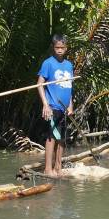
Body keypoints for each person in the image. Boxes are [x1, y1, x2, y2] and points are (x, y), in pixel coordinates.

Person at [37, 34, 74, 177]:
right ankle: (48, 169)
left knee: (62, 138)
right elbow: (40, 84)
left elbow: (69, 86)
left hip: (64, 108)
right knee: (52, 137)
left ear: (66, 48)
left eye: (62, 47)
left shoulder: (69, 65)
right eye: (57, 47)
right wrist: (45, 105)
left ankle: (58, 167)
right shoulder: (48, 63)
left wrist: (70, 105)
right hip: (53, 106)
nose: (59, 50)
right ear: (53, 48)